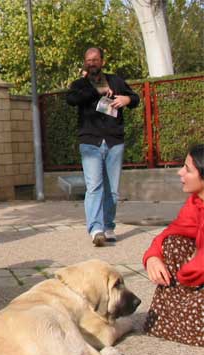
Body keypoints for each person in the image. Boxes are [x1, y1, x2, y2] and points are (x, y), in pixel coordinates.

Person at [66, 47, 140, 247]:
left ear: (102, 62)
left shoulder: (116, 81)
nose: (92, 63)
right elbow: (71, 99)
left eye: (95, 59)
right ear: (85, 62)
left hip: (114, 141)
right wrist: (95, 90)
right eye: (88, 60)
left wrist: (127, 99)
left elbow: (135, 99)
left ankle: (108, 226)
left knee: (112, 190)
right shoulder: (80, 84)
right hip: (90, 142)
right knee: (94, 186)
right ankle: (96, 229)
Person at [142, 144, 204, 347]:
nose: (180, 173)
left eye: (187, 169)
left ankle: (181, 317)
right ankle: (179, 317)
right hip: (194, 278)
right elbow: (172, 232)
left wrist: (182, 278)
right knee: (172, 244)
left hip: (196, 275)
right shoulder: (196, 202)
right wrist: (153, 257)